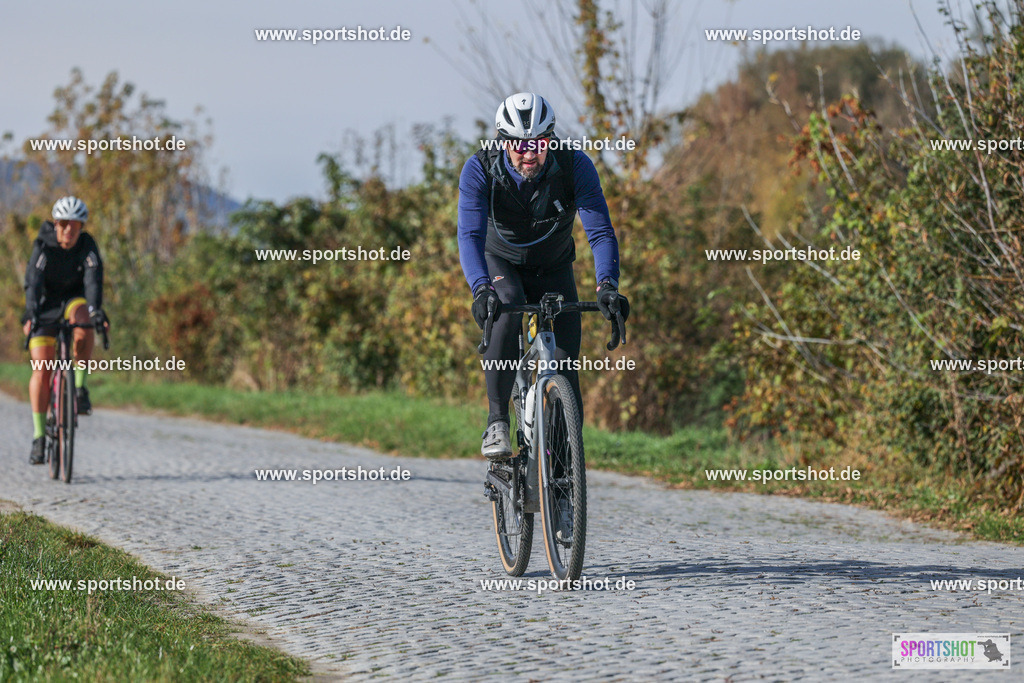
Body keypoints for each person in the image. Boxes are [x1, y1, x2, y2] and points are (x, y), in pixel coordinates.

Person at [458, 92, 629, 460]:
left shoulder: (574, 166)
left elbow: (599, 232)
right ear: (503, 142)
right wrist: (480, 289)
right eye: (518, 145)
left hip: (554, 267)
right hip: (499, 263)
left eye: (537, 143)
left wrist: (608, 286)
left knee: (566, 368)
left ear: (550, 139)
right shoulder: (480, 169)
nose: (528, 153)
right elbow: (469, 236)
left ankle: (564, 475)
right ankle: (497, 421)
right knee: (505, 308)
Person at [22, 196, 108, 465]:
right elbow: (33, 283)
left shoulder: (87, 245)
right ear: (55, 224)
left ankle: (79, 389)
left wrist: (96, 311)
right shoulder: (43, 246)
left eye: (75, 225)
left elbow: (93, 279)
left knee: (85, 319)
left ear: (81, 226)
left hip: (74, 300)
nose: (69, 230)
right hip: (46, 306)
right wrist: (31, 314)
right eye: (63, 224)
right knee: (42, 368)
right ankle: (39, 437)